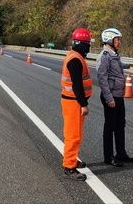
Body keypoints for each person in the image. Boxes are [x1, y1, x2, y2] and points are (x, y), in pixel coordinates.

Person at [97, 28, 133, 167]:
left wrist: (127, 65)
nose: (119, 42)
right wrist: (109, 99)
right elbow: (102, 79)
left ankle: (121, 153)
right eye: (117, 39)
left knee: (120, 125)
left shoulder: (114, 54)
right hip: (111, 96)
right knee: (110, 127)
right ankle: (108, 156)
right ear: (109, 40)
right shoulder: (104, 56)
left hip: (118, 95)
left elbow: (118, 65)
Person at [61, 27, 93, 181]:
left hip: (71, 100)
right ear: (81, 43)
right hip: (74, 102)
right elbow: (77, 85)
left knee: (72, 133)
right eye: (87, 44)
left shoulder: (74, 56)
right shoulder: (75, 60)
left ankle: (72, 158)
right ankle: (69, 166)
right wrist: (83, 104)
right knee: (74, 135)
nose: (88, 47)